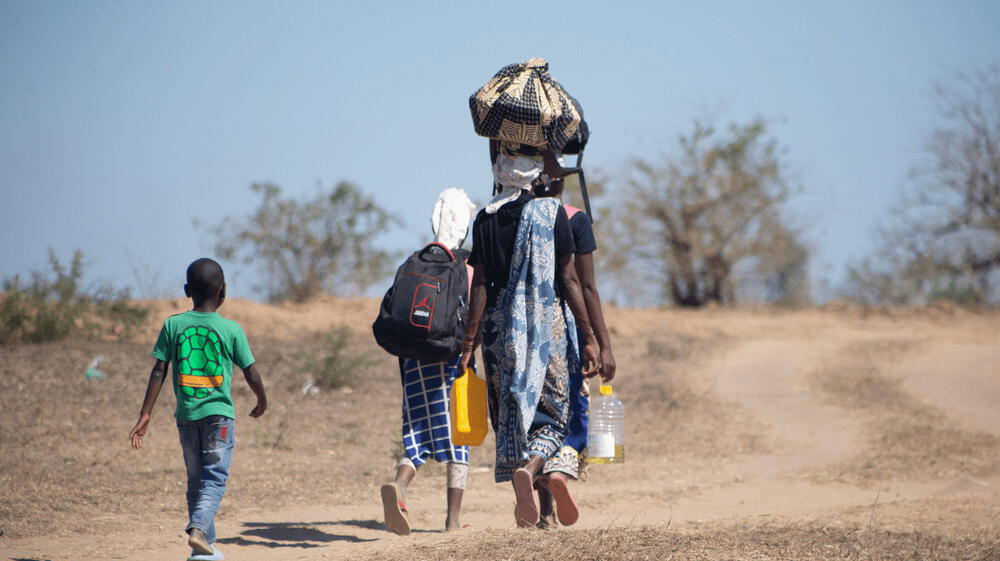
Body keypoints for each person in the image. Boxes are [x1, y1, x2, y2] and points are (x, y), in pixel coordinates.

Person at [458, 140, 600, 528]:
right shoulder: (551, 213)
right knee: (555, 415)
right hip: (546, 330)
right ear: (534, 174)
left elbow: (480, 286)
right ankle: (536, 465)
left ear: (500, 171)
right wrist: (588, 337)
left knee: (513, 415)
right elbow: (570, 281)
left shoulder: (485, 219)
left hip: (498, 334)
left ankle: (529, 486)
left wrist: (469, 345)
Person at [129, 258, 267, 561]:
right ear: (223, 292)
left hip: (187, 418)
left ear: (187, 290)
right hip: (219, 417)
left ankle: (205, 551)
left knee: (196, 481)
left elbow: (158, 370)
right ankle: (199, 531)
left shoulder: (173, 325)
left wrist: (146, 413)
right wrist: (262, 399)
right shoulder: (230, 329)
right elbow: (251, 371)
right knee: (214, 478)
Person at [380, 188, 478, 535]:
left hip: (413, 361)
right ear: (465, 226)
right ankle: (452, 520)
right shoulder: (465, 268)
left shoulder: (413, 263)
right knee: (459, 437)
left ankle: (401, 485)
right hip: (454, 361)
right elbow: (475, 316)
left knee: (418, 432)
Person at [532, 174, 617, 528]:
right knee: (573, 411)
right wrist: (599, 343)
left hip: (516, 329)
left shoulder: (504, 215)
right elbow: (585, 285)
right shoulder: (572, 218)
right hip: (565, 325)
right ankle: (562, 473)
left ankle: (545, 513)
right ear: (559, 181)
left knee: (536, 416)